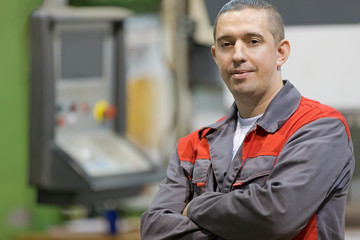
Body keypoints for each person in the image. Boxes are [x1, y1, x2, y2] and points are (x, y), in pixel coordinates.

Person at [140, 0, 355, 239]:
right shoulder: (192, 147)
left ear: (280, 52)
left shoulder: (320, 128)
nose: (238, 55)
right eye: (226, 44)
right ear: (215, 55)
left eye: (253, 41)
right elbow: (154, 229)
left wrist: (195, 207)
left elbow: (276, 216)